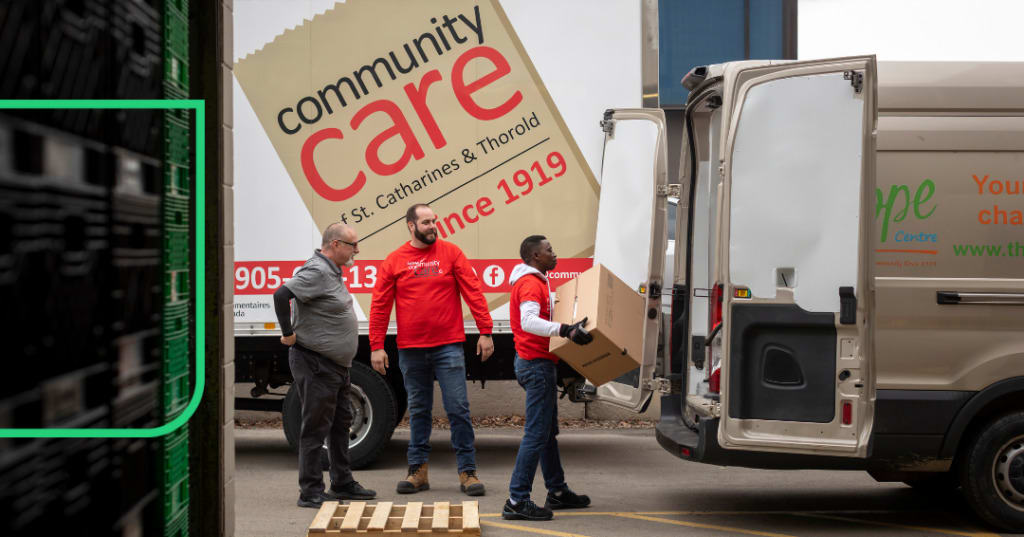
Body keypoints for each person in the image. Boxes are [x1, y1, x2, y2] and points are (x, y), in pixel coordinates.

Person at [369, 203, 495, 496]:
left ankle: (468, 472)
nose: (432, 226)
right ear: (411, 226)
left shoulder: (451, 253)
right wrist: (376, 345)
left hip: (448, 346)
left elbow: (473, 291)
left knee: (458, 409)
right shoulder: (395, 260)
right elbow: (380, 305)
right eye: (426, 222)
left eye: (434, 221)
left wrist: (485, 331)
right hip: (411, 349)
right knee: (419, 410)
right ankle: (418, 471)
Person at [272, 222, 377, 508]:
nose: (357, 250)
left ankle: (342, 482)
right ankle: (310, 491)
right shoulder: (317, 271)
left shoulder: (331, 271)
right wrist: (287, 333)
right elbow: (281, 295)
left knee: (341, 424)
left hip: (335, 366)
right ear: (335, 245)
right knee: (315, 428)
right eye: (353, 245)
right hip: (315, 363)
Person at [503, 235, 593, 521]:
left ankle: (557, 491)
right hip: (536, 366)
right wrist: (566, 330)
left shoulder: (538, 281)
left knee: (546, 433)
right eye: (549, 250)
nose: (554, 254)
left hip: (538, 364)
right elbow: (528, 321)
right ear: (535, 256)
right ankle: (517, 500)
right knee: (536, 434)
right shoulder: (530, 283)